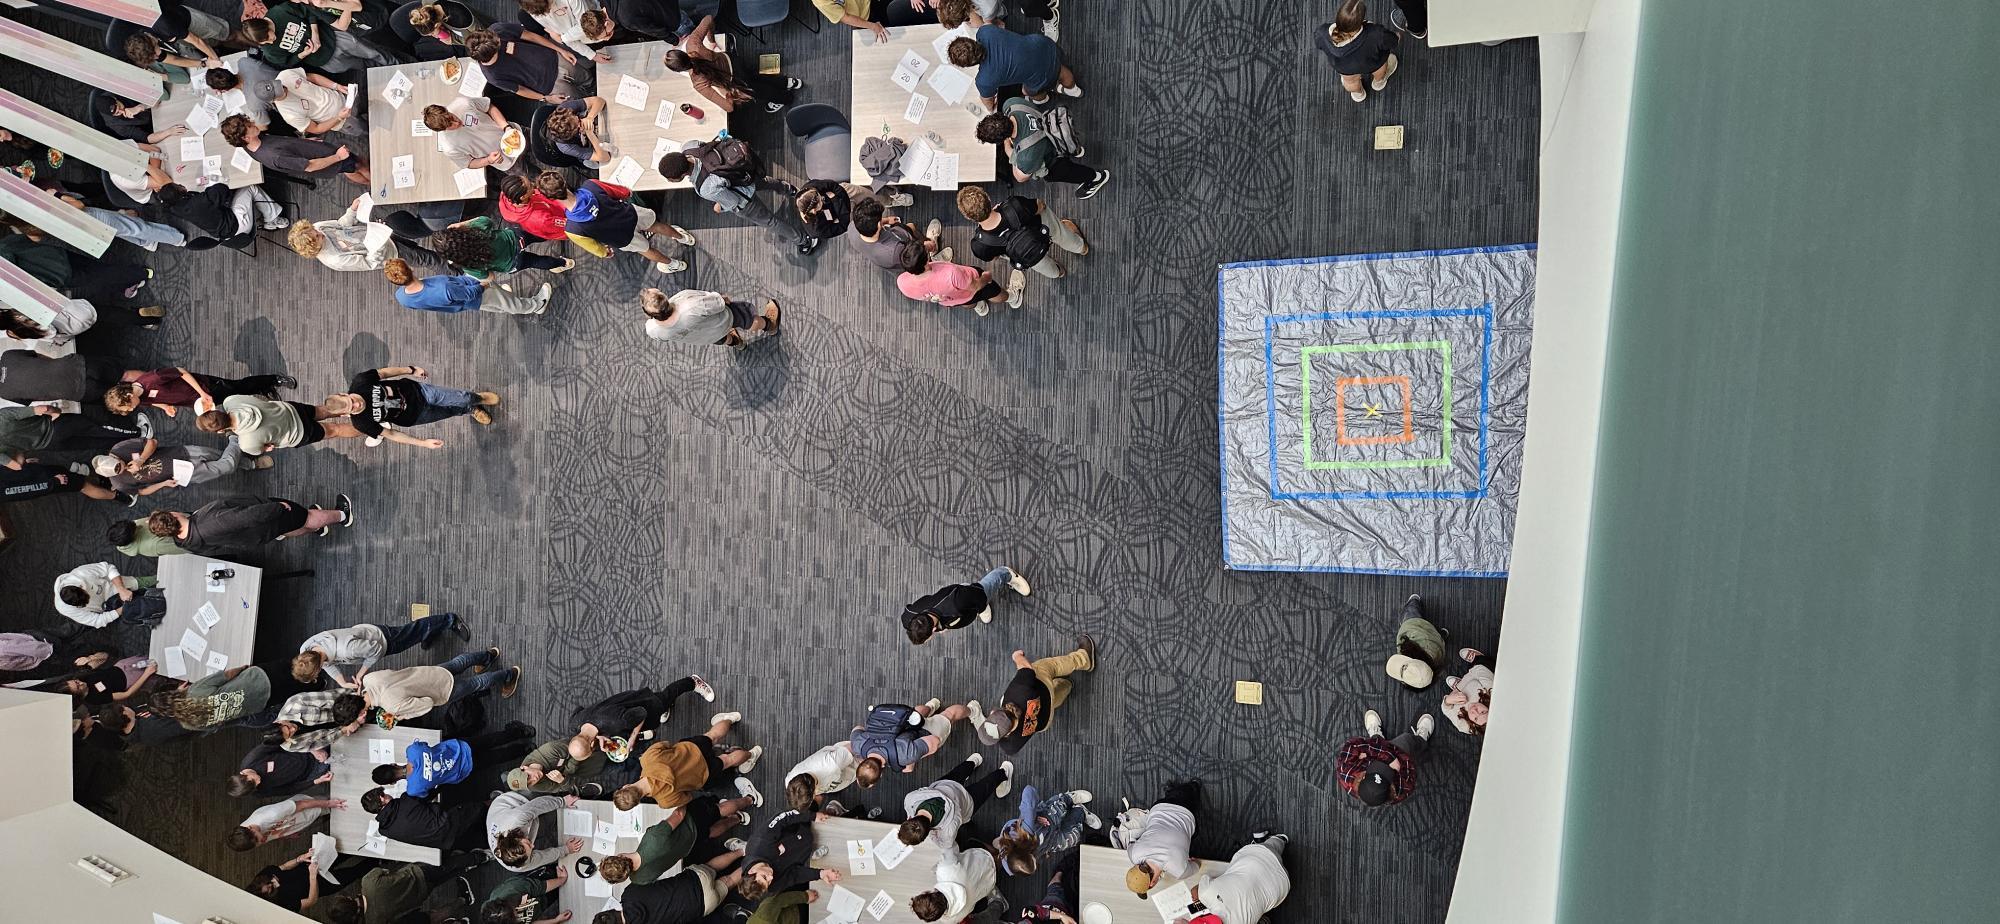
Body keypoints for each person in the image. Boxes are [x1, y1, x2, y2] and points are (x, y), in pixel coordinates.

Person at [658, 138, 814, 253]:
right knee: (766, 182)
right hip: (743, 171)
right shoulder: (689, 146)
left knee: (771, 222)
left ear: (683, 175)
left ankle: (804, 240)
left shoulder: (705, 188)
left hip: (744, 197)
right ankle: (791, 189)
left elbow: (733, 201)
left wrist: (720, 207)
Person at [540, 172, 694, 274]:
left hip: (621, 238)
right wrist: (626, 193)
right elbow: (622, 192)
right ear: (564, 182)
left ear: (551, 199)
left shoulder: (572, 229)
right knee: (657, 225)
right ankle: (683, 238)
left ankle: (673, 264)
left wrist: (604, 252)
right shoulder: (591, 185)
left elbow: (595, 248)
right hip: (630, 214)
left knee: (646, 250)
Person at [611, 712, 763, 811]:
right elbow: (665, 744)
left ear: (638, 802)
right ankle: (730, 719)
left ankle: (751, 754)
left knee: (727, 760)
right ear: (626, 786)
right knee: (712, 735)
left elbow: (688, 797)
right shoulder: (647, 760)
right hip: (692, 749)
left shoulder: (664, 801)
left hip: (703, 774)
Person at [328, 365, 502, 449]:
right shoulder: (361, 423)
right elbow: (392, 434)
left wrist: (411, 369)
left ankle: (477, 398)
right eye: (352, 408)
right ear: (345, 415)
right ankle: (469, 410)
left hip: (418, 391)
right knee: (448, 411)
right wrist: (423, 443)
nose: (357, 404)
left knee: (461, 397)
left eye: (352, 400)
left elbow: (384, 373)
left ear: (344, 394)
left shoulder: (360, 382)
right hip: (415, 417)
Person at [977, 636, 1097, 756]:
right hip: (1042, 687)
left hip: (1044, 719)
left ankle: (1067, 685)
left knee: (1054, 699)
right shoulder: (1017, 692)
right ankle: (1085, 658)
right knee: (1050, 666)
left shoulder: (1010, 747)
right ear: (993, 713)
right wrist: (1017, 657)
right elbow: (1027, 670)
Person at [598, 797, 753, 885]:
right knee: (718, 809)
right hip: (691, 822)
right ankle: (749, 799)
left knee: (710, 833)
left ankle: (737, 819)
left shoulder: (639, 879)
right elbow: (679, 815)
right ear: (619, 855)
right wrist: (684, 798)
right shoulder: (653, 838)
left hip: (687, 846)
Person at [295, 612, 471, 689]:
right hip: (363, 633)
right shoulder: (306, 648)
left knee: (415, 629)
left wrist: (361, 673)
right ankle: (429, 633)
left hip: (383, 639)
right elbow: (327, 664)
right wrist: (341, 681)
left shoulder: (347, 650)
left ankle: (450, 620)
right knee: (415, 634)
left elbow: (376, 651)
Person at [960, 185, 1088, 291]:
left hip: (1026, 254)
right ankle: (1080, 248)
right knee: (1059, 233)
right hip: (1041, 229)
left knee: (1040, 264)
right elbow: (1040, 206)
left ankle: (1058, 273)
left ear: (970, 218)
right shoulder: (1014, 205)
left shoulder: (979, 245)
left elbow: (994, 257)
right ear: (988, 198)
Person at [665, 16, 799, 115]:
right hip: (733, 60)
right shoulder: (693, 45)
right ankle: (788, 82)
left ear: (679, 71)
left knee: (759, 90)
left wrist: (728, 92)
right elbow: (709, 19)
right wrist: (711, 41)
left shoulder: (698, 83)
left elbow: (729, 108)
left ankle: (785, 98)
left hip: (735, 80)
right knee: (756, 76)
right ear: (680, 52)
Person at [976, 100, 1110, 197]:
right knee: (1069, 146)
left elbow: (1020, 177)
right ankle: (1074, 148)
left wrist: (1007, 149)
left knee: (1069, 172)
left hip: (1053, 159)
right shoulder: (1011, 104)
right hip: (1053, 129)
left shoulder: (1026, 157)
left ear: (1000, 139)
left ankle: (1096, 178)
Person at [146, 494, 354, 556]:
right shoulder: (210, 521)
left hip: (253, 537)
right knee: (303, 516)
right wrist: (277, 508)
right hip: (263, 520)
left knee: (287, 529)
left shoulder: (184, 542)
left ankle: (317, 528)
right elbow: (246, 517)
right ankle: (342, 515)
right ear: (172, 515)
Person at [372, 721, 538, 799]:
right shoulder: (412, 751)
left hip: (464, 769)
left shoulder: (413, 789)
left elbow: (429, 792)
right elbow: (425, 744)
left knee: (496, 758)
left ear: (393, 783)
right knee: (491, 740)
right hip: (460, 748)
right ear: (393, 764)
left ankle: (526, 749)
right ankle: (522, 733)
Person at [360, 648, 523, 723]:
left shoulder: (391, 705)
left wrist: (401, 715)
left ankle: (509, 674)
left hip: (439, 691)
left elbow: (427, 703)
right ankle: (488, 656)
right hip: (426, 673)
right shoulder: (368, 679)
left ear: (361, 711)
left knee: (476, 683)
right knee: (458, 663)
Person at [571, 677, 715, 755]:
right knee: (663, 703)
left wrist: (633, 737)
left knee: (666, 696)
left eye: (591, 751)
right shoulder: (574, 724)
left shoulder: (617, 722)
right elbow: (580, 709)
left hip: (642, 705)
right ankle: (664, 706)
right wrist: (600, 736)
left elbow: (641, 713)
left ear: (591, 745)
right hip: (620, 706)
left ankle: (692, 682)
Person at [324, 855, 488, 924]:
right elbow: (387, 870)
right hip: (419, 872)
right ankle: (479, 857)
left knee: (442, 877)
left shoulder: (375, 921)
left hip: (420, 895)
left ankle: (463, 900)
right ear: (348, 899)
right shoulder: (368, 882)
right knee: (447, 865)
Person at [948, 25, 1079, 110]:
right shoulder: (985, 31)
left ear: (969, 65)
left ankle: (1044, 98)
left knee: (1027, 91)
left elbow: (989, 104)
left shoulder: (984, 81)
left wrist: (990, 107)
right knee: (1059, 68)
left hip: (1040, 74)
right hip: (1043, 45)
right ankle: (1073, 89)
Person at [244, 2, 396, 75]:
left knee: (373, 52)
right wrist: (302, 54)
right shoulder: (268, 48)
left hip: (333, 38)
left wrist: (315, 33)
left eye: (269, 38)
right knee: (363, 66)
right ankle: (386, 74)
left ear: (266, 26)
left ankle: (400, 65)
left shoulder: (280, 12)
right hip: (325, 61)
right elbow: (285, 62)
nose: (271, 42)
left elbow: (309, 11)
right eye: (265, 43)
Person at [850, 699, 976, 786]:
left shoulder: (904, 756)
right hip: (899, 718)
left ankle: (973, 710)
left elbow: (934, 741)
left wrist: (911, 759)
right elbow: (858, 728)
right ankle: (931, 706)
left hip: (923, 730)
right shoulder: (857, 746)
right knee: (916, 714)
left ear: (880, 776)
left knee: (949, 715)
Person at [898, 754, 1013, 847]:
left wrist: (932, 834)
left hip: (966, 801)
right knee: (958, 772)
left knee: (985, 786)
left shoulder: (949, 828)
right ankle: (973, 762)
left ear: (927, 833)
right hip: (945, 785)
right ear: (909, 819)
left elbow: (946, 844)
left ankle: (1004, 772)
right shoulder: (910, 800)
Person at [1176, 833, 1293, 923]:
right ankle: (1280, 840)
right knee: (1269, 847)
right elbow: (1194, 891)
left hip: (1281, 885)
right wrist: (1200, 899)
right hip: (1262, 855)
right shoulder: (1206, 892)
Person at [220, 115, 370, 185]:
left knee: (355, 163)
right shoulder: (274, 156)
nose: (253, 123)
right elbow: (309, 166)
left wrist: (303, 143)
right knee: (354, 166)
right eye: (249, 126)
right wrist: (338, 157)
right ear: (246, 137)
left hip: (317, 151)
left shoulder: (253, 143)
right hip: (328, 161)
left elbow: (286, 145)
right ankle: (373, 182)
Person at [464, 22, 593, 104]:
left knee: (587, 78)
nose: (498, 38)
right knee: (582, 102)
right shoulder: (493, 76)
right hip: (550, 86)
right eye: (497, 43)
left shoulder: (497, 30)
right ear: (491, 53)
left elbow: (531, 36)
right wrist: (545, 98)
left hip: (554, 58)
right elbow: (520, 90)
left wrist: (560, 50)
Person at [93, 436, 263, 497]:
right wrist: (163, 484)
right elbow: (141, 492)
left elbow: (152, 442)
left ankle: (249, 464)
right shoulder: (119, 483)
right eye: (118, 472)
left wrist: (141, 460)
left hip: (181, 453)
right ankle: (235, 439)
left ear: (113, 457)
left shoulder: (119, 449)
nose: (122, 469)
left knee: (218, 455)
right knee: (225, 467)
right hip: (182, 474)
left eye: (120, 465)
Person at [734, 807, 840, 905]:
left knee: (824, 812)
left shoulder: (760, 842)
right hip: (803, 850)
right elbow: (794, 875)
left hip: (801, 824)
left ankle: (832, 808)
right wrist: (820, 874)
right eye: (768, 882)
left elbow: (782, 818)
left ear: (751, 871)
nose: (771, 876)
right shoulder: (772, 887)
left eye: (764, 877)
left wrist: (812, 816)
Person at [198, 392, 362, 455]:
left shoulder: (246, 443)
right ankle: (356, 409)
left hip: (298, 433)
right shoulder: (230, 400)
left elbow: (264, 448)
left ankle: (373, 428)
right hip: (291, 410)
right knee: (323, 410)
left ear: (220, 431)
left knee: (334, 430)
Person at [103, 367, 294, 419]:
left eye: (126, 407)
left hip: (205, 387)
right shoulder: (139, 399)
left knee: (237, 387)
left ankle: (273, 380)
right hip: (198, 401)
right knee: (233, 397)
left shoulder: (152, 379)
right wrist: (165, 407)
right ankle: (263, 388)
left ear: (128, 395)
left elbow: (182, 372)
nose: (129, 410)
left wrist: (202, 392)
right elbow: (152, 402)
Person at [903, 566, 1030, 645]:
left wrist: (981, 606)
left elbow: (978, 594)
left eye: (926, 641)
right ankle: (978, 605)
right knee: (973, 599)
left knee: (986, 588)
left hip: (967, 596)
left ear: (933, 630)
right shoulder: (908, 617)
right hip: (962, 602)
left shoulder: (956, 604)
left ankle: (1006, 574)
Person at [1121, 779, 1203, 898]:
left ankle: (1191, 789)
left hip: (1187, 813)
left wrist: (1187, 860)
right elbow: (1131, 845)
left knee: (1193, 834)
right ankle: (1176, 791)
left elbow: (1197, 864)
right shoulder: (1134, 855)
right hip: (1159, 807)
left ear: (1153, 883)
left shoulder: (1179, 870)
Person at [1336, 708, 1435, 807]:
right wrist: (1398, 762)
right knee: (1407, 740)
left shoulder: (1345, 771)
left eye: (1376, 768)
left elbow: (1353, 745)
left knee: (1374, 742)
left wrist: (1389, 758)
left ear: (1363, 777)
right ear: (1391, 789)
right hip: (1397, 756)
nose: (1385, 765)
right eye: (1387, 771)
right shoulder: (1401, 790)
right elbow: (1411, 768)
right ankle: (1421, 740)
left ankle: (1377, 737)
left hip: (1374, 753)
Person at [385, 258, 555, 315]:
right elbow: (470, 294)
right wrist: (484, 284)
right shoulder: (443, 288)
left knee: (497, 305)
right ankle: (536, 305)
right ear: (411, 269)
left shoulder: (402, 297)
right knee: (507, 303)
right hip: (476, 293)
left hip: (465, 304)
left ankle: (506, 302)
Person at [993, 784, 1097, 875]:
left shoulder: (1026, 830)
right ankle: (1080, 811)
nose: (1036, 860)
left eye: (1033, 859)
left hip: (1046, 821)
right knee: (1074, 838)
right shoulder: (1011, 865)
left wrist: (1032, 816)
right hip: (1048, 843)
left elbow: (1029, 791)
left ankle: (1070, 798)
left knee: (1059, 806)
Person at [591, 863, 742, 924]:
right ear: (611, 909)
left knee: (728, 881)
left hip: (703, 905)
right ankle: (741, 850)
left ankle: (751, 867)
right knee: (711, 866)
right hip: (696, 879)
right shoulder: (629, 893)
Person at [431, 216, 575, 279]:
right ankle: (561, 232)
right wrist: (462, 225)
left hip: (513, 263)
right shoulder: (472, 231)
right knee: (538, 234)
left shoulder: (467, 265)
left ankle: (563, 263)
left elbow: (489, 277)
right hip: (516, 238)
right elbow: (487, 221)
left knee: (536, 262)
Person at [154, 181, 288, 246]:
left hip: (225, 234)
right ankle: (272, 220)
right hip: (239, 226)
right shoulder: (198, 203)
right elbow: (221, 189)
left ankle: (264, 214)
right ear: (180, 193)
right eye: (178, 186)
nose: (180, 184)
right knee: (250, 187)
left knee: (233, 197)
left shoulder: (174, 208)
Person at [1316, 0, 1400, 103]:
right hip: (1373, 63)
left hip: (1345, 68)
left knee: (1350, 81)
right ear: (1361, 21)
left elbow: (1319, 45)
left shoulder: (1322, 33)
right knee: (1380, 70)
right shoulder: (1376, 34)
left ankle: (1358, 93)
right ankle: (1378, 83)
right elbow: (1392, 42)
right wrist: (1397, 36)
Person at [896, 243, 1013, 315]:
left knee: (967, 302)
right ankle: (1012, 297)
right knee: (996, 293)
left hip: (952, 300)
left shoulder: (902, 282)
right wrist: (985, 278)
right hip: (973, 283)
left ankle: (979, 307)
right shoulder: (951, 274)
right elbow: (975, 286)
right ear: (925, 262)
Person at [0, 406, 142, 467]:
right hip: (56, 425)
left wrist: (21, 446)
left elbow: (17, 465)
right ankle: (138, 432)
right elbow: (42, 409)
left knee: (95, 444)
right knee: (98, 428)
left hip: (50, 446)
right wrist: (57, 412)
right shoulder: (2, 416)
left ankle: (135, 443)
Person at [288, 196, 399, 272]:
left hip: (380, 232)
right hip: (390, 253)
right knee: (415, 256)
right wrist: (378, 243)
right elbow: (369, 263)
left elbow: (341, 225)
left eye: (314, 230)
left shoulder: (318, 227)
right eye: (317, 237)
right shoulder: (335, 260)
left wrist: (352, 210)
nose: (320, 232)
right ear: (313, 246)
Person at [641, 289, 780, 349]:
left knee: (723, 339)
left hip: (706, 337)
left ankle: (737, 343)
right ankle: (769, 325)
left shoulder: (653, 330)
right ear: (665, 298)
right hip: (724, 320)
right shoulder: (689, 304)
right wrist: (723, 298)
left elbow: (662, 337)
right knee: (747, 319)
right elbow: (719, 304)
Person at [361, 787, 491, 851]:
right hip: (448, 822)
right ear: (382, 798)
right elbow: (429, 793)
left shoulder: (384, 830)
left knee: (476, 837)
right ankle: (499, 803)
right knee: (477, 807)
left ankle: (492, 841)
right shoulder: (406, 800)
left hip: (444, 843)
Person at [488, 790, 585, 871]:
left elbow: (539, 805)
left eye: (528, 844)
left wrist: (563, 801)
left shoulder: (517, 818)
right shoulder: (519, 865)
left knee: (548, 807)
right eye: (530, 849)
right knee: (545, 826)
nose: (533, 845)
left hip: (508, 803)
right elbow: (542, 857)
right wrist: (566, 849)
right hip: (505, 820)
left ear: (516, 838)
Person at [425, 97, 524, 173]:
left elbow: (489, 107)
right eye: (450, 125)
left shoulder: (463, 103)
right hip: (507, 162)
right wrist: (488, 160)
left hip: (515, 133)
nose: (456, 123)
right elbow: (469, 163)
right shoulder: (449, 147)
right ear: (442, 130)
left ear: (446, 109)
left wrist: (505, 127)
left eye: (452, 117)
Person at [909, 843, 999, 922]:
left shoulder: (950, 920)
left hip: (990, 882)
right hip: (984, 858)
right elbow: (950, 844)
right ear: (927, 893)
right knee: (966, 844)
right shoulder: (945, 870)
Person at [52, 561, 155, 628]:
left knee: (155, 581)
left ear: (82, 587)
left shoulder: (82, 573)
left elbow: (108, 568)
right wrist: (122, 609)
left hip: (117, 586)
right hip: (112, 606)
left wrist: (121, 589)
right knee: (152, 612)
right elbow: (97, 621)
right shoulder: (65, 609)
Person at [226, 794, 345, 851]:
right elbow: (267, 836)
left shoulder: (271, 814)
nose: (261, 842)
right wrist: (285, 834)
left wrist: (329, 803)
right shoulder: (247, 836)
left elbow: (303, 804)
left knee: (340, 801)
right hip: (295, 821)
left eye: (258, 839)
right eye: (257, 844)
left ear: (251, 828)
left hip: (309, 806)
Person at [266, 68, 360, 137]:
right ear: (273, 100)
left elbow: (312, 77)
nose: (283, 88)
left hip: (344, 97)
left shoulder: (285, 75)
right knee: (367, 130)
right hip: (344, 121)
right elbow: (316, 129)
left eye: (280, 85)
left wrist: (336, 86)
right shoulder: (289, 115)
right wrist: (339, 117)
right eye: (280, 92)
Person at [849, 196, 931, 274]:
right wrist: (924, 246)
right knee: (923, 247)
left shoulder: (853, 227)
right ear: (878, 225)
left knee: (910, 226)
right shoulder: (894, 250)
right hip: (906, 255)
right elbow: (912, 256)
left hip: (894, 243)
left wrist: (887, 220)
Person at [268, 690, 369, 753]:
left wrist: (355, 711)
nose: (293, 729)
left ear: (278, 722)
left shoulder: (296, 703)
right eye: (289, 734)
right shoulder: (289, 746)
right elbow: (320, 743)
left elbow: (333, 699)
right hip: (347, 726)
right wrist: (345, 729)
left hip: (353, 705)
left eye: (288, 727)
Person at [510, 734, 609, 795]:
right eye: (530, 783)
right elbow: (563, 788)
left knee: (610, 745)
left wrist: (566, 773)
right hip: (580, 771)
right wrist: (562, 780)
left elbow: (577, 749)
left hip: (586, 746)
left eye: (528, 776)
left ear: (524, 767)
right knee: (609, 767)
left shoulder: (549, 750)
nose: (534, 779)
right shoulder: (534, 786)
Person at [230, 741, 334, 798]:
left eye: (253, 781)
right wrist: (316, 781)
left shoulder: (253, 758)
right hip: (313, 772)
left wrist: (311, 749)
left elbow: (282, 740)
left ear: (243, 774)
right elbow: (289, 789)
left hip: (308, 750)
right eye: (255, 785)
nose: (259, 782)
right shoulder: (257, 791)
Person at [1385, 593, 1446, 689]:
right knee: (1411, 612)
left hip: (1437, 644)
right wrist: (1405, 624)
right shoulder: (1412, 636)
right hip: (1417, 626)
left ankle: (1441, 635)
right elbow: (1409, 625)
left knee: (1437, 637)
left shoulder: (1433, 669)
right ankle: (1414, 601)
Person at [782, 741, 859, 813]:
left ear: (813, 794)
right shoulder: (789, 782)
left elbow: (855, 746)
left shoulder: (831, 765)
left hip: (858, 761)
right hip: (843, 775)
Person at [0, 463, 127, 505]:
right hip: (47, 481)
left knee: (75, 477)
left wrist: (25, 465)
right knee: (81, 485)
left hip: (35, 472)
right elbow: (25, 490)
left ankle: (102, 483)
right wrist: (54, 482)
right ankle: (118, 496)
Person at [247, 848, 328, 914]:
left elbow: (284, 867)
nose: (271, 884)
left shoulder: (263, 875)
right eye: (270, 889)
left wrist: (299, 859)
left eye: (269, 883)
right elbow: (311, 901)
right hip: (322, 884)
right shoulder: (280, 905)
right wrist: (313, 877)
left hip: (308, 866)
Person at [481, 866, 572, 924]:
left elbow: (541, 887)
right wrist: (556, 920)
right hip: (541, 904)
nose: (518, 915)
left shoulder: (513, 888)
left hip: (538, 881)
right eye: (516, 917)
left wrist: (562, 879)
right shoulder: (504, 921)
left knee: (565, 874)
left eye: (515, 912)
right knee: (563, 892)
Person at [520, 0, 607, 60]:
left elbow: (587, 25)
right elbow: (560, 34)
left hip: (605, 27)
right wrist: (591, 55)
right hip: (584, 42)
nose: (548, 14)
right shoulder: (534, 11)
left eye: (549, 8)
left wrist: (563, 39)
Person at [812, 0, 935, 42]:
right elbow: (845, 17)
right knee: (894, 33)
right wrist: (871, 26)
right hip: (866, 16)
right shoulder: (821, 2)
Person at [541, 97, 613, 165]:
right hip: (587, 146)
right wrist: (590, 134)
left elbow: (599, 100)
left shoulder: (564, 108)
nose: (580, 124)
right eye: (577, 127)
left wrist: (590, 117)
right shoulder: (565, 147)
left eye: (578, 120)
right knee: (591, 164)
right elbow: (605, 157)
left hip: (597, 125)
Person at [498, 174, 571, 241]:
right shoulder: (539, 219)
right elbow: (568, 225)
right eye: (530, 186)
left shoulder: (511, 193)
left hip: (559, 206)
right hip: (568, 222)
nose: (533, 184)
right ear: (523, 197)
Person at [1443, 647, 1495, 735]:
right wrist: (1459, 687)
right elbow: (1479, 669)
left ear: (1474, 725)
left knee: (1453, 699)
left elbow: (1446, 710)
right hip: (1479, 671)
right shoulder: (1491, 692)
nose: (1474, 711)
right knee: (1484, 664)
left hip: (1465, 685)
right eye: (1482, 712)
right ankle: (1477, 657)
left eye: (1475, 719)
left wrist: (1448, 701)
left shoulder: (1464, 726)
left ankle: (1459, 688)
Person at [108, 516, 183, 556]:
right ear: (132, 536)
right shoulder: (155, 545)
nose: (136, 523)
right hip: (187, 530)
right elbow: (186, 546)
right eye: (135, 528)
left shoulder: (128, 528)